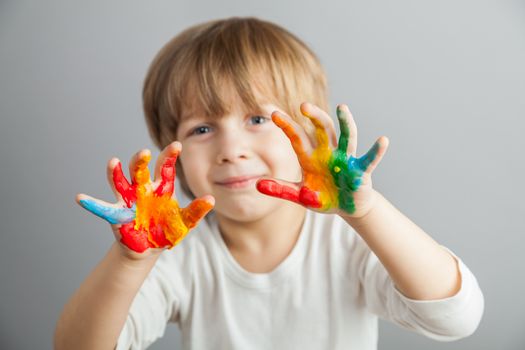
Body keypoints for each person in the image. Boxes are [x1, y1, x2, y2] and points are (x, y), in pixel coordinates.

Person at [54, 17, 484, 350]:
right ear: (175, 156)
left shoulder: (347, 243)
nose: (231, 148)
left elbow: (453, 319)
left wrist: (368, 212)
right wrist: (129, 261)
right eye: (202, 129)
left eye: (258, 119)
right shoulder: (179, 257)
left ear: (316, 138)